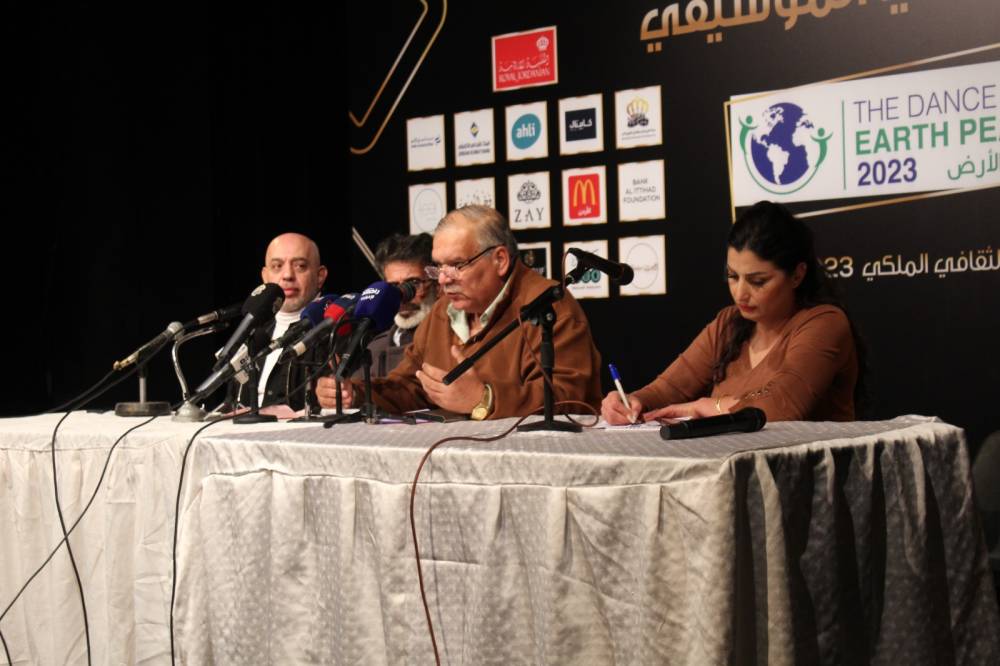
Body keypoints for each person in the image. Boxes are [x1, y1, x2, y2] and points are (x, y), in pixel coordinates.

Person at [317, 205, 602, 419]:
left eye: (457, 265)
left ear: (500, 260)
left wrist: (485, 399)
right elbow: (410, 385)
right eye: (439, 266)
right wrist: (356, 393)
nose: (443, 279)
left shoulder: (548, 306)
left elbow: (569, 398)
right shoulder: (443, 310)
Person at [602, 200, 861, 425]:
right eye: (733, 276)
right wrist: (630, 401)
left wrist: (711, 406)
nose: (740, 294)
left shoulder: (825, 322)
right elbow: (667, 389)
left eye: (758, 281)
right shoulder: (729, 323)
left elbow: (782, 407)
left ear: (797, 275)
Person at [226, 232, 329, 411]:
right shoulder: (253, 333)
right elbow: (231, 403)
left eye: (300, 266)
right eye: (277, 266)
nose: (287, 275)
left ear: (320, 276)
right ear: (265, 277)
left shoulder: (334, 331)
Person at [364, 233, 437, 377]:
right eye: (394, 287)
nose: (402, 296)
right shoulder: (373, 349)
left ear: (437, 283)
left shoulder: (452, 341)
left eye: (413, 283)